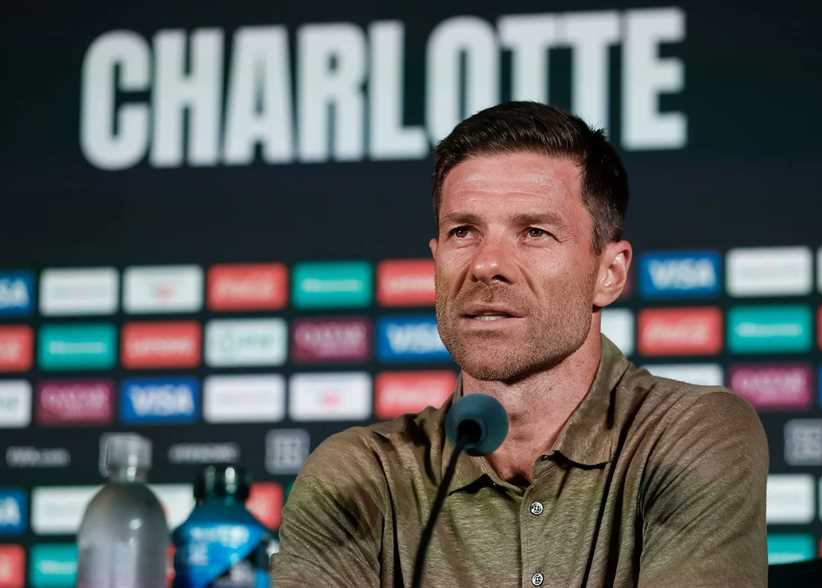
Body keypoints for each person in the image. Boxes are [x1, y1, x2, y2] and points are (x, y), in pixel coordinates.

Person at [272, 101, 768, 587]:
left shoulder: (688, 433)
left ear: (609, 273)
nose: (487, 264)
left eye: (534, 232)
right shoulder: (359, 473)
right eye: (463, 232)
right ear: (436, 258)